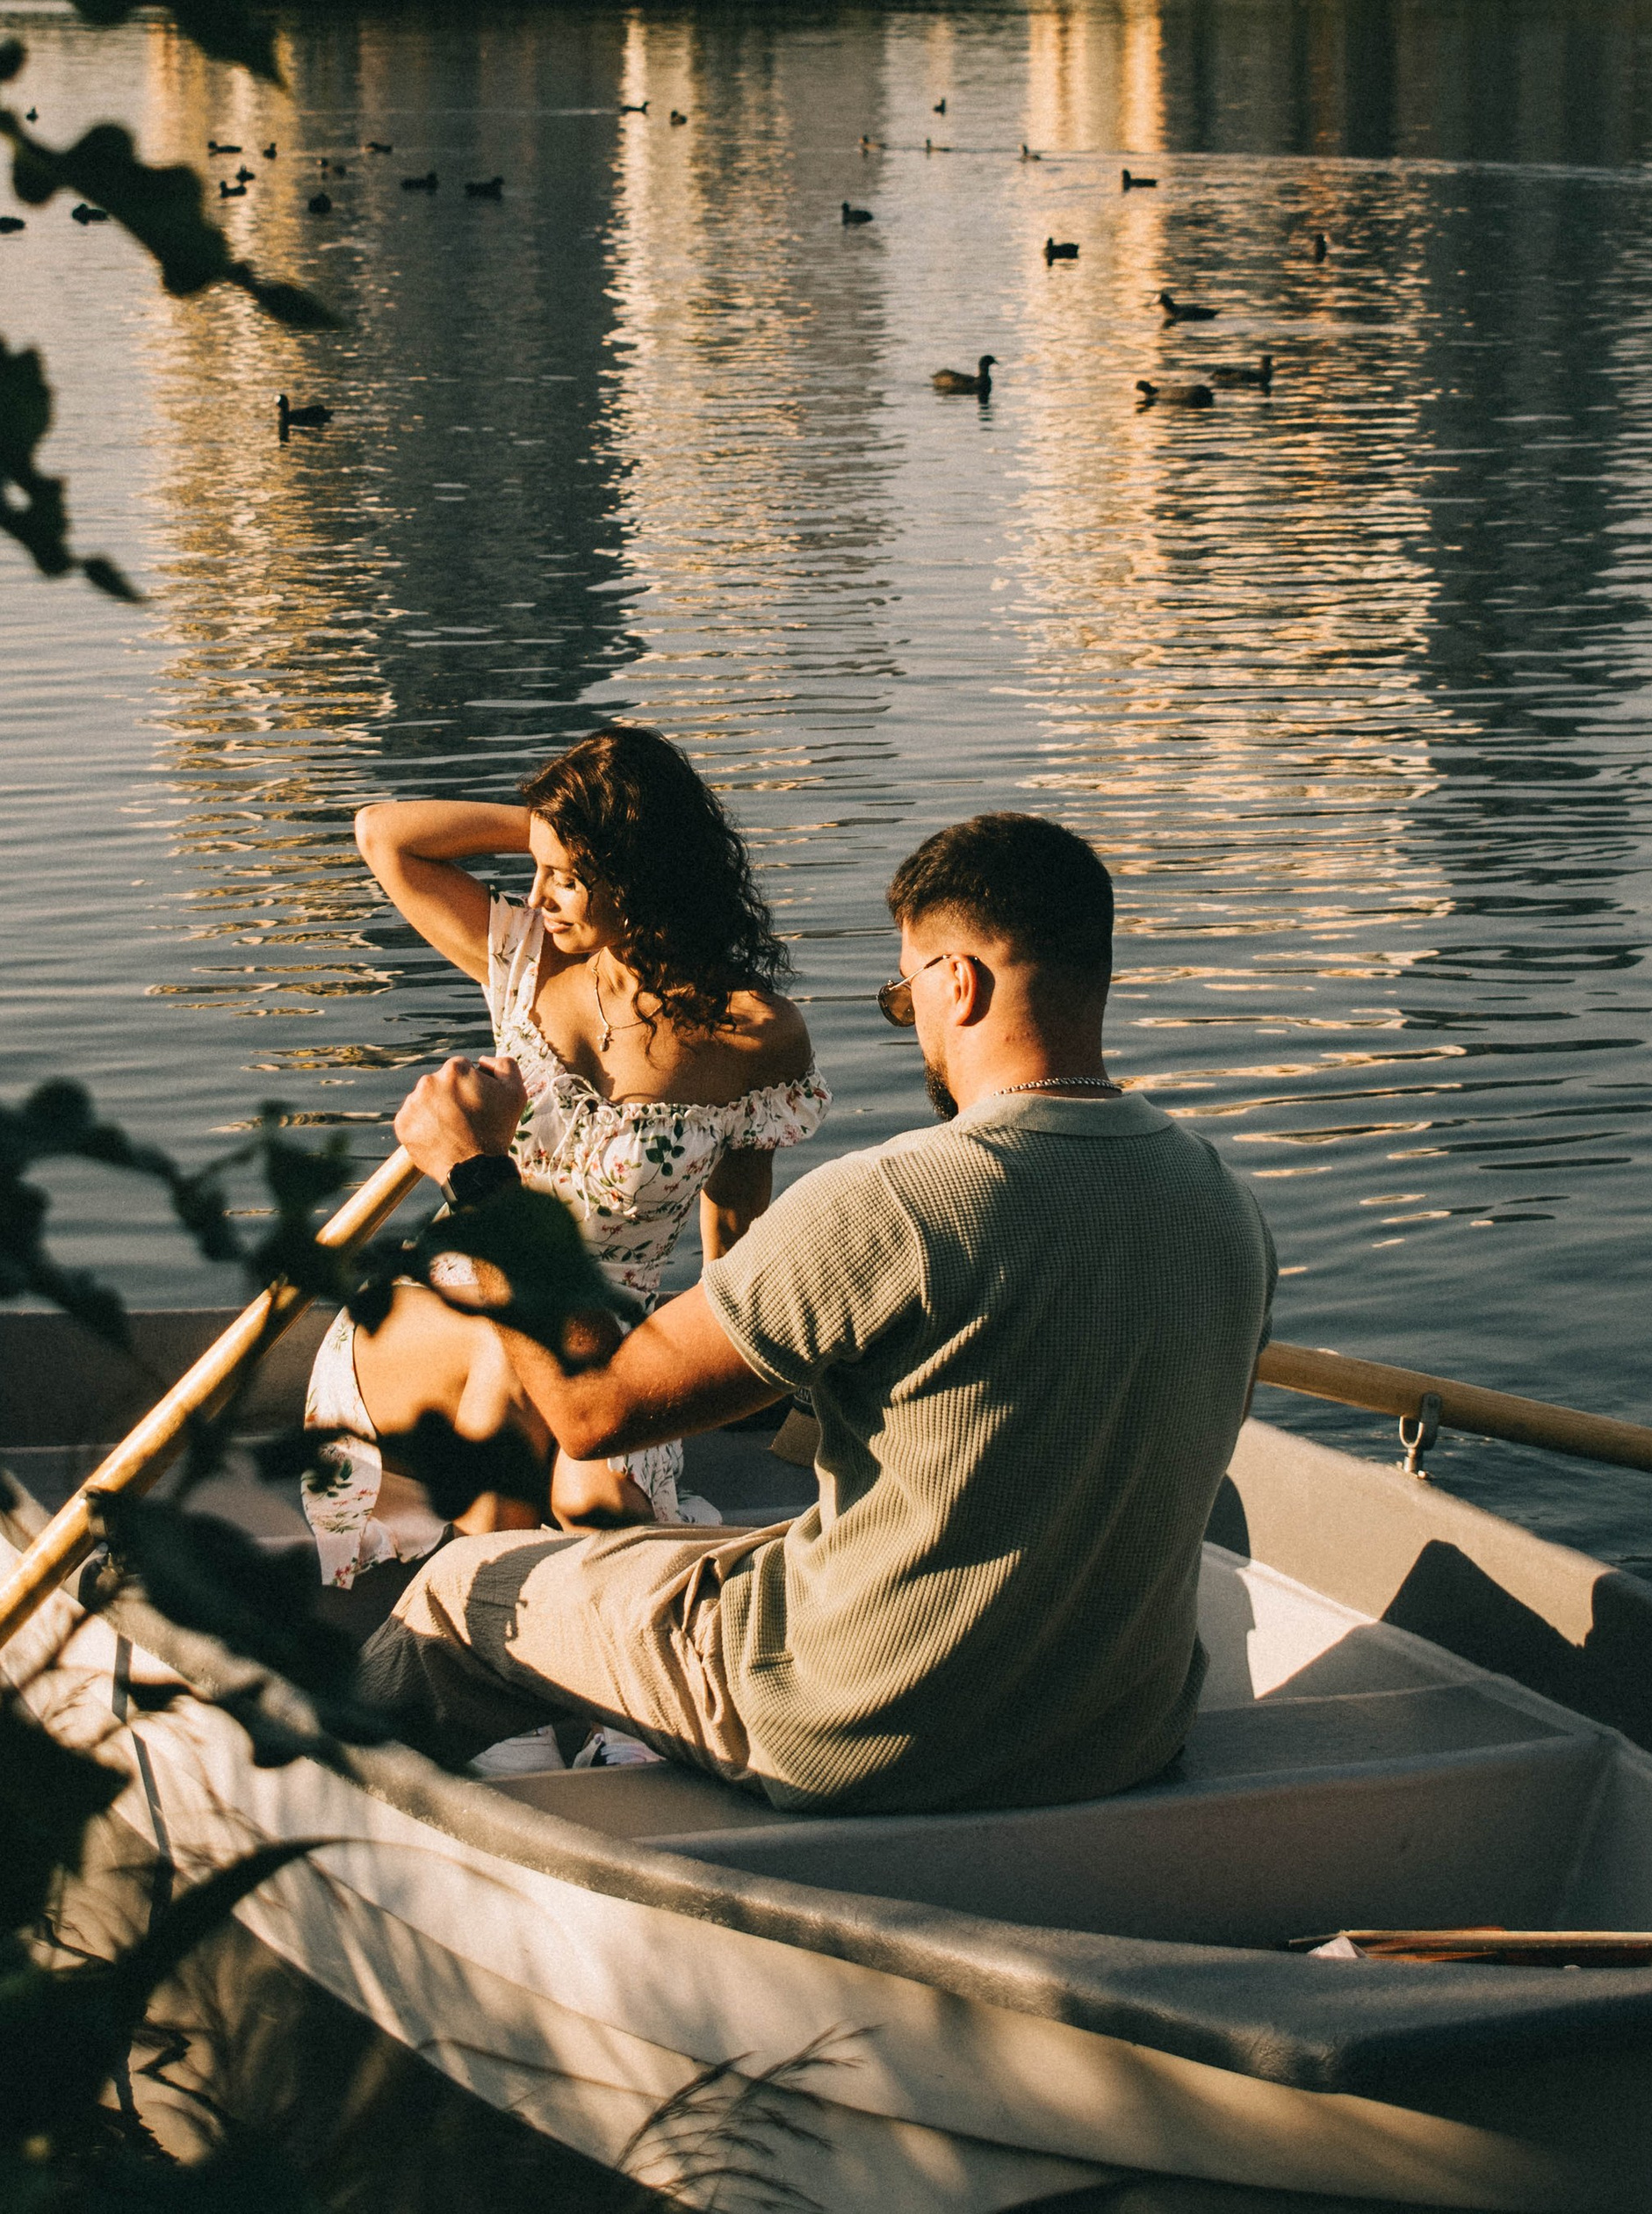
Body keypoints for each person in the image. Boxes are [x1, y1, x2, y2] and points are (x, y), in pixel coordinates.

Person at [356, 811, 1277, 1818]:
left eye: (903, 994)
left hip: (853, 1730)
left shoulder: (896, 1200)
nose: (911, 1018)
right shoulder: (1225, 1205)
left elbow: (593, 1410)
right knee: (675, 1551)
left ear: (956, 982)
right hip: (1112, 1738)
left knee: (466, 1585)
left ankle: (307, 1832)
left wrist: (482, 1180)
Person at [300, 726, 828, 1586]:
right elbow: (381, 832)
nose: (541, 894)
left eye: (571, 877)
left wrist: (728, 1376)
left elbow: (734, 1237)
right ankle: (470, 1661)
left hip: (602, 1343)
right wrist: (550, 830)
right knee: (509, 1357)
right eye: (540, 870)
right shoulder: (524, 962)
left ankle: (557, 1679)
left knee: (600, 1506)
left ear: (642, 874)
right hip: (443, 1310)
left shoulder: (756, 1038)